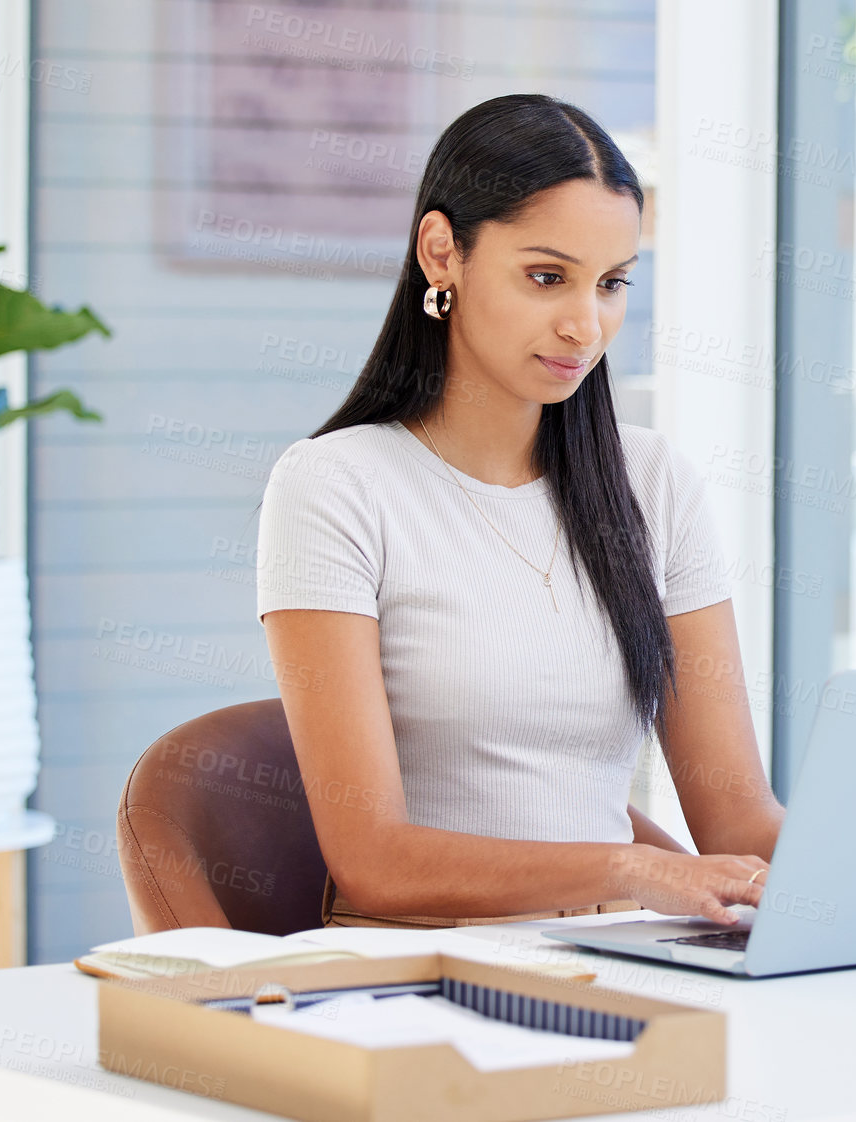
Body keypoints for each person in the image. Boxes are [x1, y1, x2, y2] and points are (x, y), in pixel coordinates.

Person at [255, 93, 785, 928]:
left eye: (611, 284)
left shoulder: (653, 483)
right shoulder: (335, 486)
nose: (585, 325)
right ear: (442, 253)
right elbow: (374, 862)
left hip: (618, 956)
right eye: (547, 277)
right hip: (423, 974)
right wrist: (630, 868)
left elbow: (738, 821)